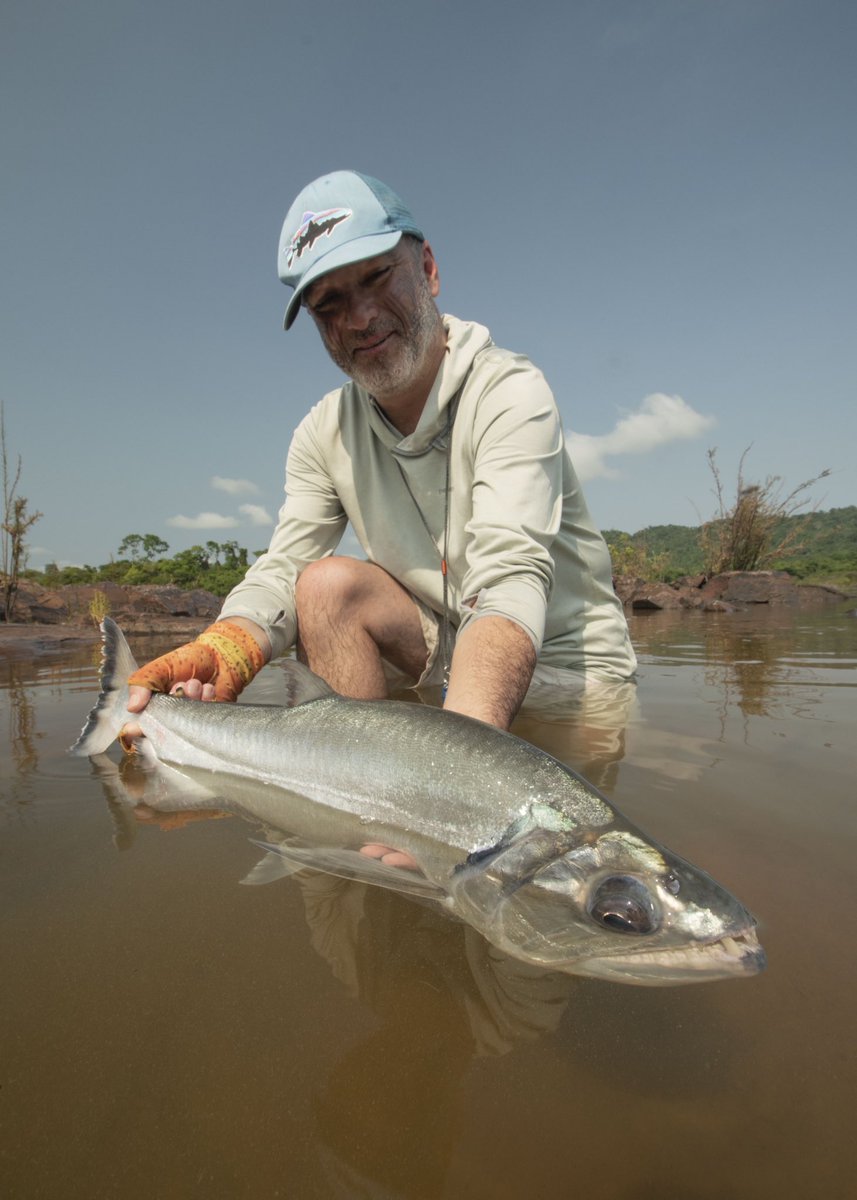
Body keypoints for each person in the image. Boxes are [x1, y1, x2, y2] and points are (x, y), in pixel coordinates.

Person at [127, 170, 636, 743]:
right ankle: (357, 804)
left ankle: (415, 786)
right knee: (324, 586)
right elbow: (284, 567)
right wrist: (227, 647)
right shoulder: (323, 433)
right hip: (437, 651)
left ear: (428, 270)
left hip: (565, 672)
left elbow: (508, 582)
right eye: (329, 304)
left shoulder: (511, 391)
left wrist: (450, 775)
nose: (360, 318)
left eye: (377, 277)